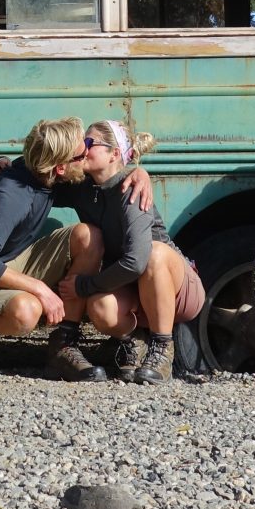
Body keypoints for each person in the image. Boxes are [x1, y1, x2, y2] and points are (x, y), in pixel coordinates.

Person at [0, 118, 134, 380]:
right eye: (83, 150)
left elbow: (107, 176)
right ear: (62, 168)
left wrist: (138, 174)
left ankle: (64, 344)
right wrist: (40, 289)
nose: (87, 152)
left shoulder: (43, 172)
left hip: (9, 260)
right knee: (26, 311)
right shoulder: (11, 196)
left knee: (89, 237)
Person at [56, 119, 203, 385]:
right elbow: (41, 170)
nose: (81, 148)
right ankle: (136, 342)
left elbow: (135, 262)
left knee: (153, 254)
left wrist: (85, 284)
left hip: (178, 288)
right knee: (100, 307)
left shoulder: (131, 188)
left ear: (114, 154)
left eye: (88, 143)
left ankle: (162, 348)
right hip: (133, 288)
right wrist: (7, 165)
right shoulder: (82, 188)